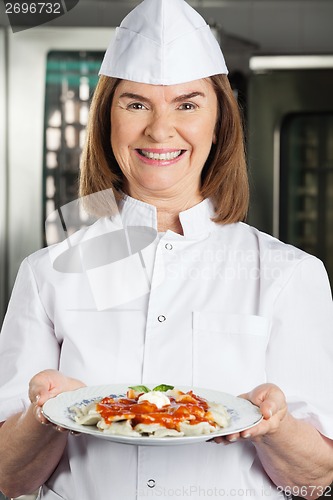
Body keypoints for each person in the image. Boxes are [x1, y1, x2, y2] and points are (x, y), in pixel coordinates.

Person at [0, 0, 333, 498]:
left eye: (187, 103)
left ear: (220, 121)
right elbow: (8, 479)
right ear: (106, 120)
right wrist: (44, 415)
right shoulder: (46, 273)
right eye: (135, 104)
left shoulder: (290, 274)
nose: (160, 129)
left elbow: (316, 479)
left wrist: (276, 425)